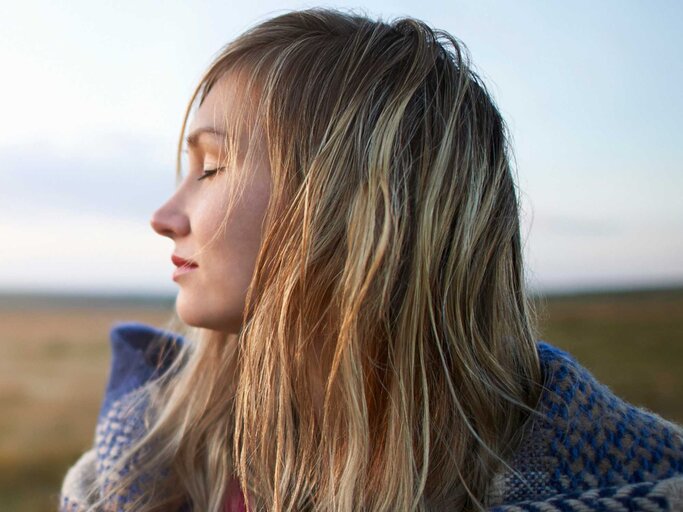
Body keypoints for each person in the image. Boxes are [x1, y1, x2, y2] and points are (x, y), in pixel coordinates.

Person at [59, 8, 683, 512]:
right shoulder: (143, 467)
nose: (164, 216)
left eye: (213, 166)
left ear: (356, 205)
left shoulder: (632, 487)